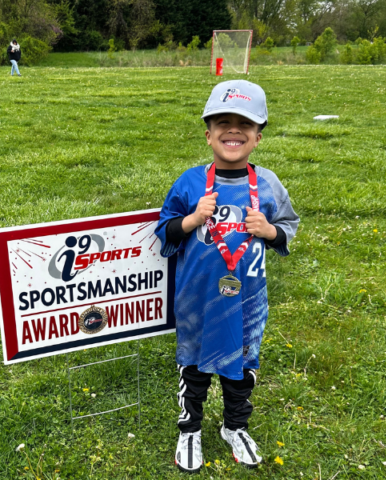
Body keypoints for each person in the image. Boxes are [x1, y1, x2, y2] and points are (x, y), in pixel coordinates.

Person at [155, 80, 300, 474]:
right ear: (208, 135)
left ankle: (235, 427)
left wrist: (269, 231)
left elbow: (289, 225)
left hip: (246, 301)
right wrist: (192, 219)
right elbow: (163, 230)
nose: (232, 130)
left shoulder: (267, 184)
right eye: (223, 122)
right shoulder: (189, 183)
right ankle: (190, 429)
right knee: (196, 368)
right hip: (196, 301)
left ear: (257, 136)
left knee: (241, 371)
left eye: (244, 124)